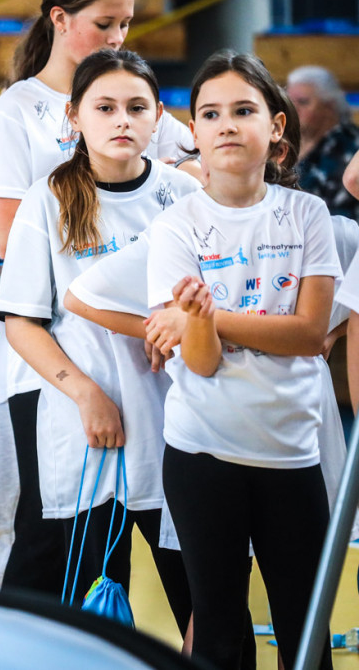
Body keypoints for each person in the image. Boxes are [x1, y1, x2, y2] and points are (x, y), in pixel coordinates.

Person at [0, 0, 199, 596]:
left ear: (154, 112)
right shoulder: (23, 125)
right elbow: (15, 259)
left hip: (156, 378)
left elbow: (205, 167)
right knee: (58, 545)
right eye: (105, 23)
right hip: (61, 367)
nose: (117, 37)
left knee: (177, 561)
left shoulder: (169, 183)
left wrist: (168, 316)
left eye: (127, 24)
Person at [145, 51, 337, 670]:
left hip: (291, 453)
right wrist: (196, 327)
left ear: (275, 126)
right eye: (211, 114)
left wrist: (207, 317)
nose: (226, 124)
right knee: (222, 639)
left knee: (304, 636)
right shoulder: (175, 227)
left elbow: (309, 334)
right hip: (204, 454)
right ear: (193, 132)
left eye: (243, 110)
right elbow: (200, 365)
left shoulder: (308, 215)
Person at [286, 65, 359, 221]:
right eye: (289, 102)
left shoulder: (348, 146)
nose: (293, 109)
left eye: (303, 102)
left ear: (329, 107)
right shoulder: (283, 143)